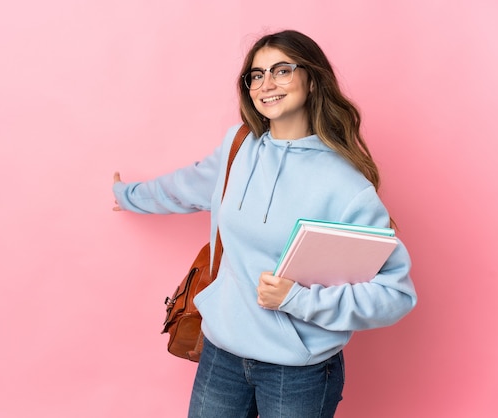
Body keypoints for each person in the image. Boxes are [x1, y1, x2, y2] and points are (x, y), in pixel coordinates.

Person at [112, 29, 417, 418]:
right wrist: (127, 195)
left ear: (312, 79)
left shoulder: (346, 186)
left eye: (282, 70)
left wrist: (296, 300)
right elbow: (186, 186)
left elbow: (395, 294)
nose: (266, 84)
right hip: (221, 354)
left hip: (298, 372)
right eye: (256, 75)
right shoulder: (239, 147)